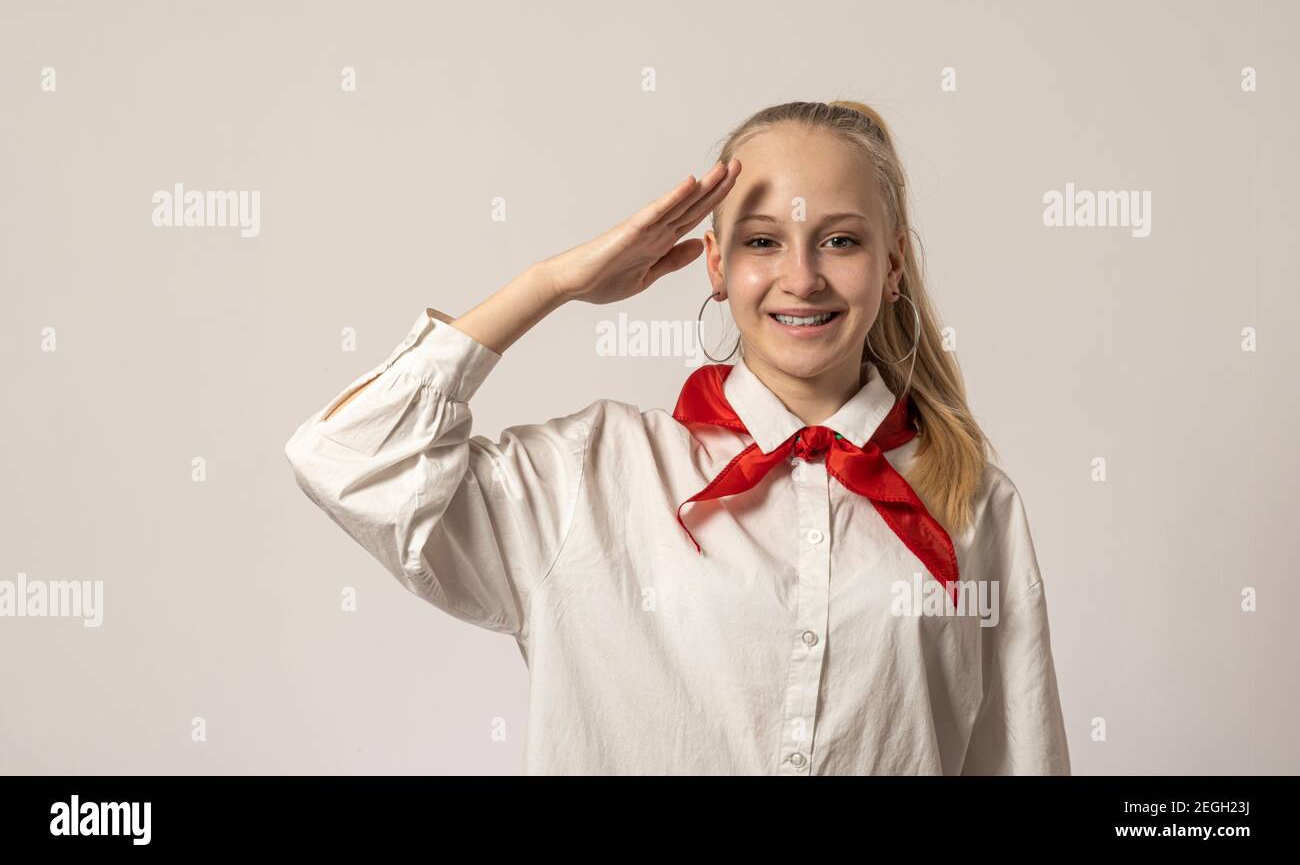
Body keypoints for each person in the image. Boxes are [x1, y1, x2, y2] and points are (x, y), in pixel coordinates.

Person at [283, 100, 1071, 775]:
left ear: (892, 266)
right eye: (763, 241)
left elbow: (1020, 755)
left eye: (840, 240)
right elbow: (349, 459)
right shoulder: (589, 476)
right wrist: (550, 283)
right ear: (716, 266)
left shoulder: (973, 502)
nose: (803, 277)